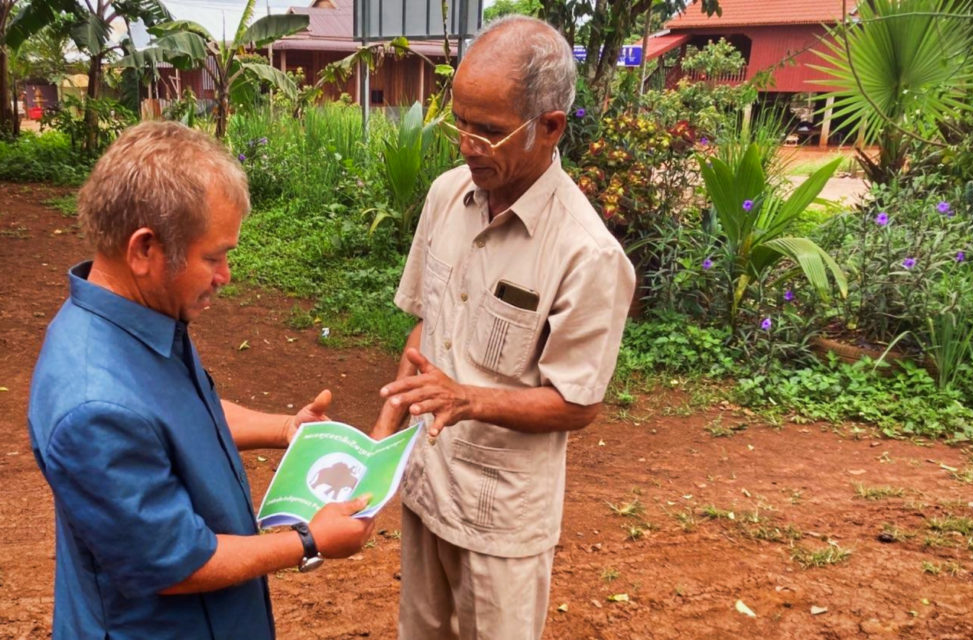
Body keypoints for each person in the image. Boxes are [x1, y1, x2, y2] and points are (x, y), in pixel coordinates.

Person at [27, 121, 374, 640]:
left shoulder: (140, 319)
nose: (226, 275)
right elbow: (176, 562)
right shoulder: (93, 406)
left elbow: (185, 413)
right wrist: (308, 539)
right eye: (213, 257)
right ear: (145, 250)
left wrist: (286, 430)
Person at [370, 15, 636, 640]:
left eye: (488, 131)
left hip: (501, 514)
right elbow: (425, 333)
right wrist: (381, 440)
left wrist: (468, 400)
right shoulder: (444, 196)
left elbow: (577, 404)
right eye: (459, 123)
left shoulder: (585, 254)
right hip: (425, 484)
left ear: (550, 128)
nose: (467, 145)